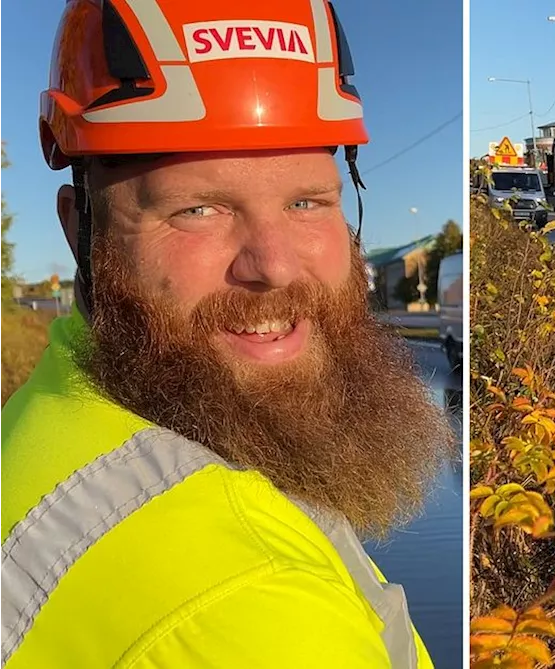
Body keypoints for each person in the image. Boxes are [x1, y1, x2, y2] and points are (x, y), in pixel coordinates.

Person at [0, 2, 451, 667]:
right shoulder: (258, 612)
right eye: (197, 209)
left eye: (307, 201)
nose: (272, 265)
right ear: (81, 232)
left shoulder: (61, 402)